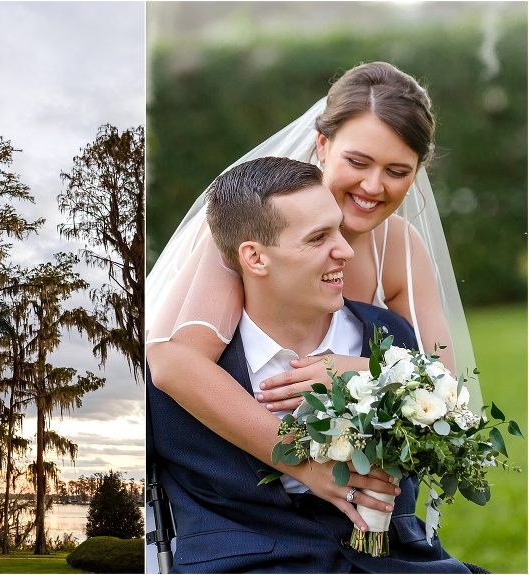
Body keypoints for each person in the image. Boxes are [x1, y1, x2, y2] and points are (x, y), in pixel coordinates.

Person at [145, 62, 482, 522]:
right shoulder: (261, 224)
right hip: (254, 503)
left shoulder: (401, 248)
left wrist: (357, 373)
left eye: (397, 171)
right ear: (323, 145)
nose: (372, 186)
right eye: (358, 162)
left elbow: (444, 385)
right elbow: (173, 362)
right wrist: (304, 463)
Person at [146, 155, 470, 573]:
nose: (346, 250)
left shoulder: (392, 341)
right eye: (318, 238)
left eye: (338, 228)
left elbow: (442, 441)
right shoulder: (176, 383)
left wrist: (380, 376)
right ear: (255, 258)